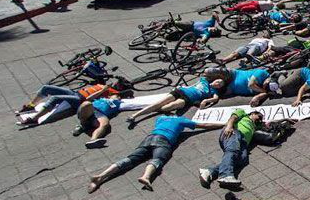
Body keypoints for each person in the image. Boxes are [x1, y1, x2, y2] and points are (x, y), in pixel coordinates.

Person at [87, 114, 221, 193]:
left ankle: (100, 176)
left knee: (131, 158)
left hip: (149, 137)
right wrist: (222, 124)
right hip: (164, 141)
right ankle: (146, 177)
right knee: (158, 159)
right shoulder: (181, 120)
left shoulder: (160, 118)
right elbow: (203, 125)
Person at [199, 108, 264, 188]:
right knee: (233, 150)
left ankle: (209, 172)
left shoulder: (254, 126)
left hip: (243, 142)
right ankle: (225, 175)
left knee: (242, 159)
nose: (260, 120)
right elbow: (233, 117)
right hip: (234, 132)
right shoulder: (243, 113)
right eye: (259, 116)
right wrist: (229, 126)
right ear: (253, 113)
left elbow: (267, 125)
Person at [125, 77, 225, 128]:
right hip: (181, 91)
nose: (218, 83)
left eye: (220, 84)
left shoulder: (213, 91)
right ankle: (134, 116)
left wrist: (206, 100)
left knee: (168, 107)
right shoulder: (204, 80)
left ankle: (151, 110)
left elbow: (216, 98)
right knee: (159, 103)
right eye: (218, 81)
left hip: (188, 99)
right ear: (215, 79)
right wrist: (183, 86)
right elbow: (192, 84)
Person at [17, 83, 119, 126]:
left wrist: (103, 90)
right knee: (46, 87)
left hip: (79, 101)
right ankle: (30, 106)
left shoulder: (113, 93)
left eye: (119, 83)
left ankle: (34, 119)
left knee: (55, 98)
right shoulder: (104, 84)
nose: (115, 83)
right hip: (75, 92)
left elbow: (89, 99)